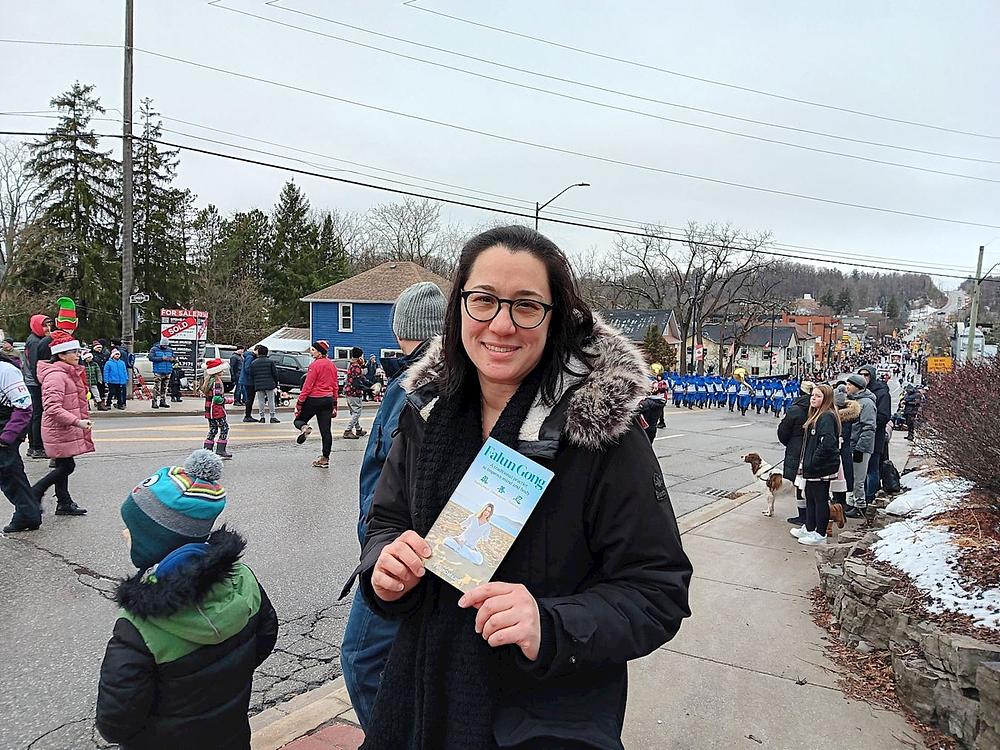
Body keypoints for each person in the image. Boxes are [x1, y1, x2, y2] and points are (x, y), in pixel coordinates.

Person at [351, 225, 691, 749]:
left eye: (526, 305)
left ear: (556, 318)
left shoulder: (601, 433)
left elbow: (658, 590)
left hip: (547, 724)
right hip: (421, 702)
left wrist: (550, 623)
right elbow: (387, 522)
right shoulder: (426, 411)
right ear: (459, 306)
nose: (502, 325)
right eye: (484, 300)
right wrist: (384, 565)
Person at [95, 449, 278, 749]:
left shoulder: (138, 627)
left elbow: (116, 721)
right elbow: (266, 637)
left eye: (133, 529)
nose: (125, 533)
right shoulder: (243, 579)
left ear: (156, 543)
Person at [341, 281, 447, 731]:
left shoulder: (416, 386)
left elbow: (391, 480)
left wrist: (377, 542)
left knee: (362, 660)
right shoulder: (413, 380)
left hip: (405, 555)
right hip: (399, 548)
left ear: (404, 327)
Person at [32, 331, 91, 516]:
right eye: (72, 351)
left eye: (77, 350)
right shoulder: (56, 376)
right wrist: (78, 422)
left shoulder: (65, 372)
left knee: (63, 465)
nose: (77, 355)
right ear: (61, 355)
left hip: (63, 428)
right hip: (59, 429)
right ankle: (35, 493)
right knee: (67, 466)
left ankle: (64, 502)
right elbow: (52, 408)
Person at [790, 383, 842, 546]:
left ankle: (820, 533)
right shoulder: (817, 415)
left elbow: (827, 443)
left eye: (818, 396)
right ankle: (810, 527)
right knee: (810, 498)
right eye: (813, 395)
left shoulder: (826, 416)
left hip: (820, 467)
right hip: (813, 466)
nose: (814, 398)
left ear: (826, 399)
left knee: (819, 499)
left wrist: (813, 462)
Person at [0, 344, 41, 533]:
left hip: (6, 428)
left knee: (9, 472)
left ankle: (28, 514)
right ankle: (29, 512)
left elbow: (24, 406)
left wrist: (6, 437)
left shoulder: (6, 370)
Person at [294, 340, 338, 468]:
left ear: (320, 352)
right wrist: (334, 405)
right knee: (326, 431)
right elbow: (335, 386)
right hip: (328, 399)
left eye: (313, 350)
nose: (311, 352)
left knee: (299, 420)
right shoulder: (332, 365)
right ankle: (325, 458)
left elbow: (308, 385)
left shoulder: (315, 365)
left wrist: (300, 402)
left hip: (314, 398)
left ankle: (304, 428)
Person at [777, 381, 814, 525]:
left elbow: (783, 431)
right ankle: (809, 515)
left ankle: (803, 516)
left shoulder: (795, 409)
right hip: (812, 449)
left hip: (796, 449)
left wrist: (791, 443)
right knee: (812, 484)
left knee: (799, 484)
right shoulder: (820, 409)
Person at [843, 374, 876, 519]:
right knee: (852, 477)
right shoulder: (853, 401)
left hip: (861, 447)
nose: (847, 387)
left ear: (857, 387)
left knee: (859, 478)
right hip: (852, 444)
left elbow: (869, 427)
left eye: (850, 385)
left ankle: (860, 506)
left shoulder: (866, 403)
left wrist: (860, 448)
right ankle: (852, 503)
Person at [858, 365, 891, 506]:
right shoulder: (858, 392)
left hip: (875, 436)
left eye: (866, 375)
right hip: (860, 437)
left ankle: (869, 496)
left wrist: (869, 421)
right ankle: (861, 495)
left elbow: (884, 416)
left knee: (872, 468)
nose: (864, 377)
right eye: (861, 375)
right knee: (860, 471)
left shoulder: (881, 393)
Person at [22, 313, 53, 459]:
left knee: (35, 414)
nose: (48, 328)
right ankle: (37, 447)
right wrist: (42, 382)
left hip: (33, 382)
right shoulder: (35, 342)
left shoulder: (35, 339)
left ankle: (33, 446)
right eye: (44, 325)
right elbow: (36, 366)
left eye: (49, 325)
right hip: (35, 383)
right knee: (38, 415)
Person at [833, 383, 860, 508]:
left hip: (841, 450)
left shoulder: (838, 418)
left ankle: (840, 504)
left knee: (839, 477)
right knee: (842, 478)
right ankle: (840, 501)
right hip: (846, 450)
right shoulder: (851, 415)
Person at [201, 358, 232, 459]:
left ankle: (207, 451)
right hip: (216, 410)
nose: (223, 371)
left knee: (213, 429)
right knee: (224, 428)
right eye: (222, 370)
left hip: (209, 410)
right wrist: (228, 400)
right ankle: (220, 450)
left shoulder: (209, 380)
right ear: (217, 371)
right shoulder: (217, 382)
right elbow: (217, 398)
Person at [343, 347, 371, 439]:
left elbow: (361, 378)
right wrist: (368, 389)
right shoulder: (356, 367)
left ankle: (358, 429)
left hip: (348, 391)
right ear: (360, 356)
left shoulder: (351, 365)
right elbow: (357, 382)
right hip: (354, 392)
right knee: (357, 412)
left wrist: (369, 384)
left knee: (354, 411)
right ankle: (348, 430)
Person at [248, 345, 280, 423]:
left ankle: (262, 417)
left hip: (258, 384)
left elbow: (251, 374)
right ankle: (272, 417)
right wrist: (276, 383)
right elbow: (275, 374)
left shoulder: (254, 362)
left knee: (261, 401)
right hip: (270, 384)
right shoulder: (270, 362)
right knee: (271, 401)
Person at [147, 337, 176, 409]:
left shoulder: (170, 350)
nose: (165, 346)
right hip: (158, 371)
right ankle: (154, 402)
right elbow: (150, 358)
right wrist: (161, 359)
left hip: (168, 371)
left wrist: (173, 360)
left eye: (166, 345)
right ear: (161, 344)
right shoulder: (154, 349)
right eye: (164, 345)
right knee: (157, 387)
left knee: (164, 388)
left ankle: (163, 401)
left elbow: (174, 358)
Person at [239, 345, 256, 423]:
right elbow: (248, 368)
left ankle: (248, 415)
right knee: (249, 398)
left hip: (246, 380)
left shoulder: (249, 356)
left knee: (249, 398)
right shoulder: (250, 357)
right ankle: (247, 416)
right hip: (248, 381)